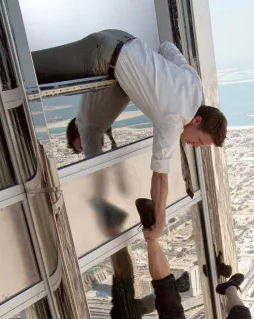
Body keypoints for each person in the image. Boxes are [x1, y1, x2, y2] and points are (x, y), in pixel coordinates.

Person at [32, 30, 228, 239]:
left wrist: (157, 74)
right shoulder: (173, 120)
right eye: (198, 141)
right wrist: (160, 223)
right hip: (102, 54)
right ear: (197, 120)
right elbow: (160, 178)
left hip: (121, 37)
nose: (194, 145)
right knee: (30, 70)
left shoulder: (194, 83)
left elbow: (167, 47)